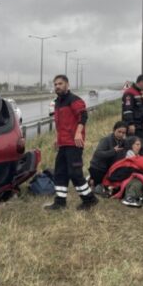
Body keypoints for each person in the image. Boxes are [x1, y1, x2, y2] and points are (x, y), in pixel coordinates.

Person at [44, 75, 98, 211]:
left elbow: (83, 115)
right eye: (55, 84)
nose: (57, 86)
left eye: (60, 83)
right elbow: (61, 124)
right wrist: (58, 139)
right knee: (60, 173)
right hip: (63, 144)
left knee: (75, 173)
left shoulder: (74, 100)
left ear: (67, 85)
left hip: (74, 143)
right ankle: (60, 202)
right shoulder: (57, 102)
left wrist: (79, 132)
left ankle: (90, 200)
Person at [102, 136, 143, 208]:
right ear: (131, 145)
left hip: (136, 182)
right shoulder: (123, 155)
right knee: (138, 181)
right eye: (137, 144)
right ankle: (129, 198)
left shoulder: (141, 158)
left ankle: (140, 198)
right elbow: (117, 171)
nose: (139, 146)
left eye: (140, 145)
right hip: (122, 182)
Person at [88, 121, 127, 195]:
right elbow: (98, 154)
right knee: (102, 187)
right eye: (119, 131)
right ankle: (91, 180)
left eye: (123, 133)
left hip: (110, 169)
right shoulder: (106, 140)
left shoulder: (123, 142)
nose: (121, 134)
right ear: (114, 130)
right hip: (98, 168)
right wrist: (113, 151)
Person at [122, 74, 143, 144]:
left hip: (141, 126)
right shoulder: (129, 93)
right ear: (141, 82)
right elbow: (127, 110)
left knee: (141, 146)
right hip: (134, 127)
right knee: (134, 147)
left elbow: (142, 110)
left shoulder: (139, 93)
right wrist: (130, 124)